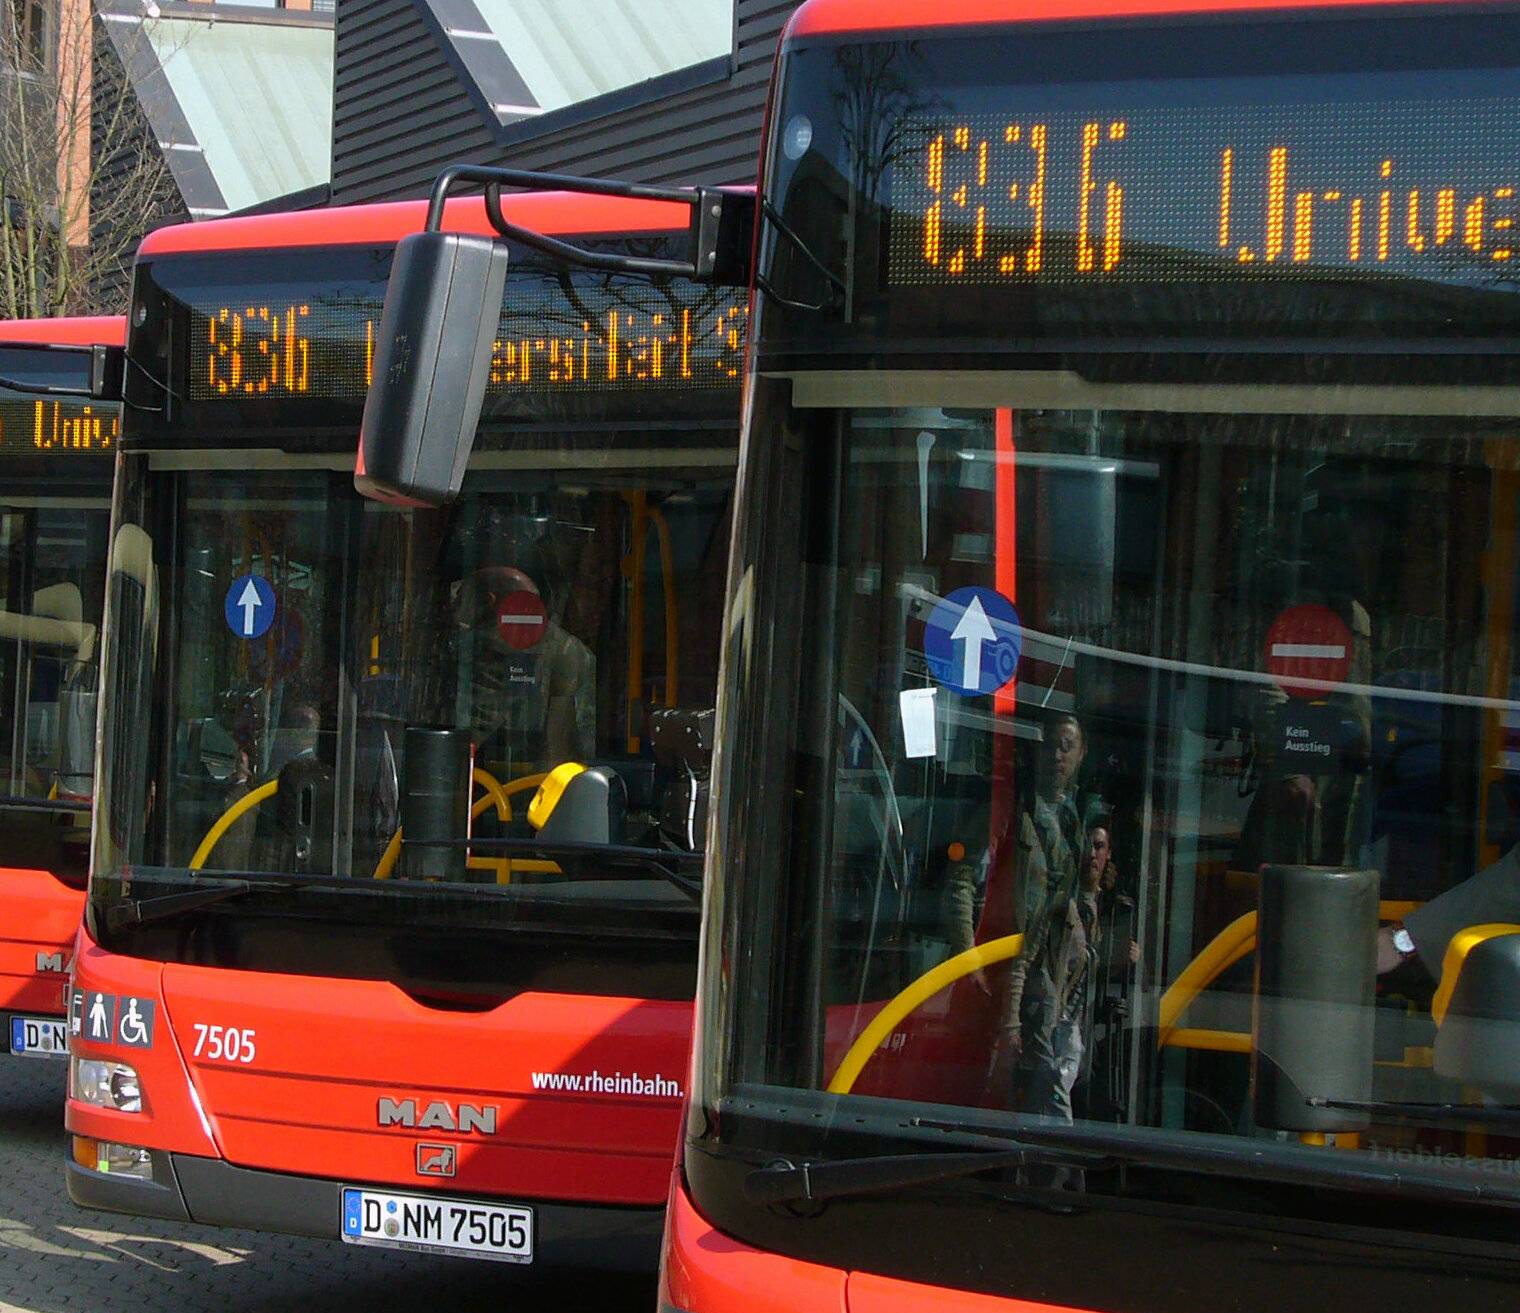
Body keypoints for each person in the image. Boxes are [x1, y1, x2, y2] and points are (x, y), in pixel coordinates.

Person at [1003, 712, 1107, 1125]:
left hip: (1064, 974)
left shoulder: (1074, 816)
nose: (1058, 756)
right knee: (1047, 1082)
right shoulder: (1020, 808)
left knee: (1058, 1074)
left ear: (1082, 755)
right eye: (1050, 745)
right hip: (1029, 965)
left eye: (1068, 747)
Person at [454, 563, 595, 776]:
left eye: (461, 601)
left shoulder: (564, 653)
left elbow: (559, 746)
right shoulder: (467, 649)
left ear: (491, 602)